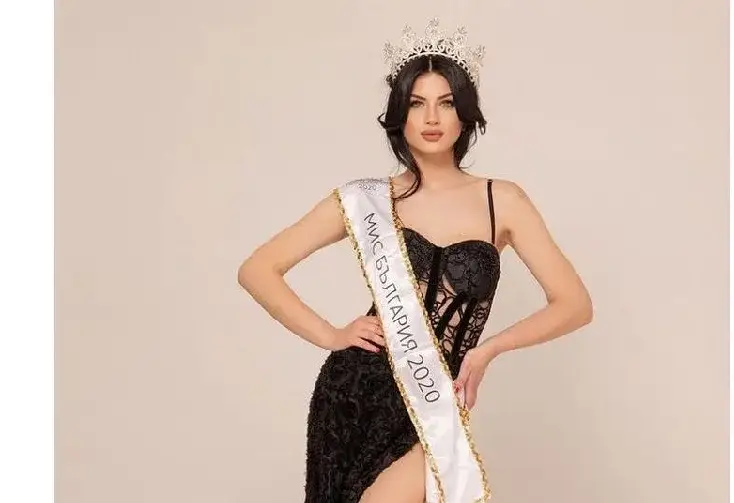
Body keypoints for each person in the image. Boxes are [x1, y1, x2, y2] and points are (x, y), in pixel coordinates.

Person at [237, 18, 593, 503]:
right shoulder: (367, 199)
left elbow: (574, 304)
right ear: (398, 116)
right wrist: (331, 335)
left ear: (464, 114)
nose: (431, 118)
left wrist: (487, 350)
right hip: (355, 390)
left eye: (445, 102)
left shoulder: (502, 201)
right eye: (416, 103)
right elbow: (257, 270)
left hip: (432, 400)